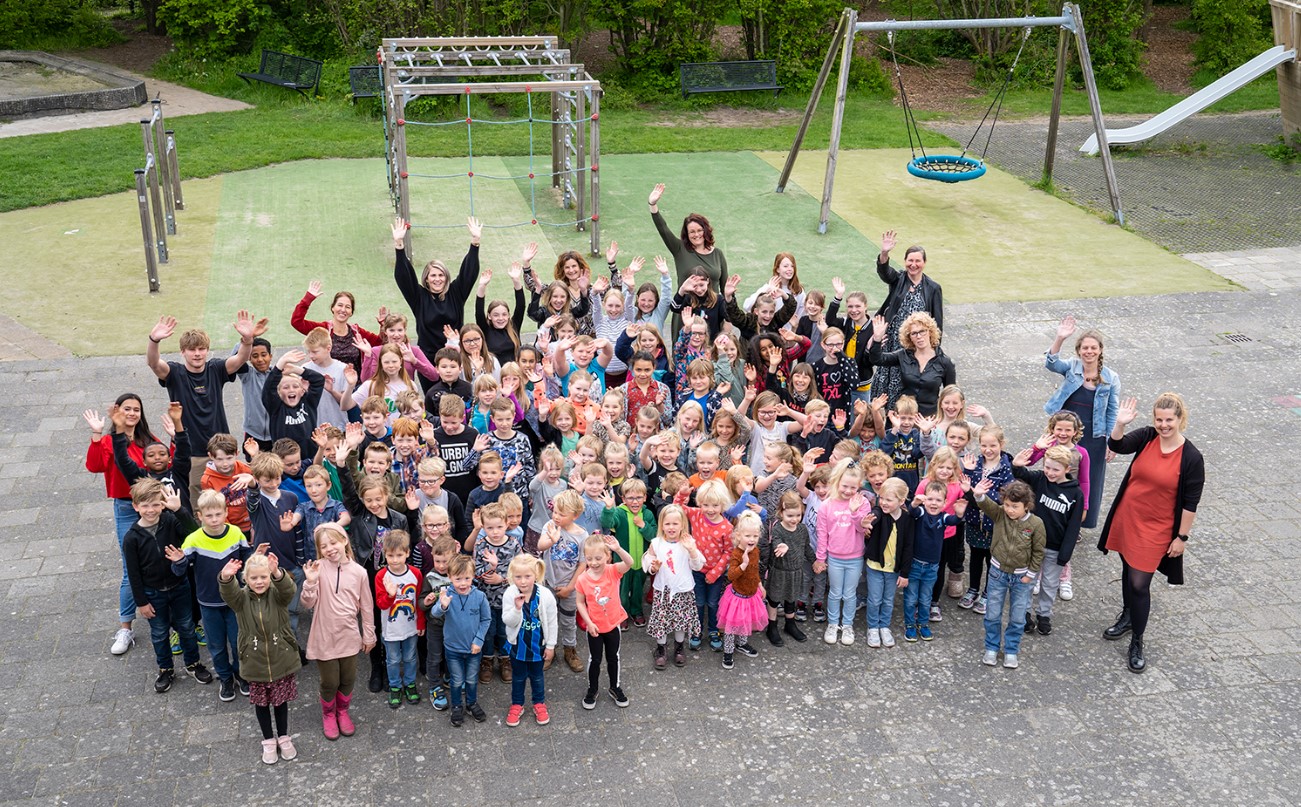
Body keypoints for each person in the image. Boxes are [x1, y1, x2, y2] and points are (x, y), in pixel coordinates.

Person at [1098, 394, 1204, 674]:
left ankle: (1137, 641)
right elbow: (1117, 445)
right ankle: (1128, 616)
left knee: (1139, 583)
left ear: (1180, 419)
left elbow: (1191, 503)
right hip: (1128, 516)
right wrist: (1119, 424)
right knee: (1127, 567)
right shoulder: (1146, 437)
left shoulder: (1191, 457)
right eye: (1159, 419)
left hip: (1157, 526)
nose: (1163, 425)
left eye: (1169, 420)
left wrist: (1181, 538)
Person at [146, 311, 264, 502]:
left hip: (222, 450)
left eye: (201, 349)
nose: (197, 354)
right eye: (192, 350)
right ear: (183, 352)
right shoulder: (175, 373)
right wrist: (154, 340)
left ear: (207, 350)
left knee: (230, 497)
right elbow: (154, 363)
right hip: (192, 453)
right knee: (197, 502)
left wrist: (248, 340)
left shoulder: (215, 368)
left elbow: (239, 360)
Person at [84, 395, 169, 655]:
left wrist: (175, 437)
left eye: (136, 409)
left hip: (154, 506)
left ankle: (170, 616)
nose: (132, 413)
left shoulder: (148, 439)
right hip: (126, 506)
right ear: (118, 412)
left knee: (164, 557)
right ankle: (125, 626)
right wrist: (97, 434)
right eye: (126, 409)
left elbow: (165, 464)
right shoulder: (110, 441)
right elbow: (95, 465)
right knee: (129, 566)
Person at [120, 479, 213, 693]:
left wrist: (179, 510)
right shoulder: (131, 538)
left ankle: (193, 664)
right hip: (153, 593)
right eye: (145, 505)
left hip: (180, 586)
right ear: (135, 506)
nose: (150, 510)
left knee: (187, 628)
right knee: (160, 633)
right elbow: (133, 574)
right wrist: (141, 602)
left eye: (155, 504)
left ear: (162, 504)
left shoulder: (171, 521)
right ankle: (165, 669)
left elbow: (193, 533)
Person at [218, 551, 302, 764]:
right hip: (254, 660)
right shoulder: (241, 599)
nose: (259, 581)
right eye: (253, 578)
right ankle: (268, 740)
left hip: (280, 656)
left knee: (281, 702)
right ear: (245, 578)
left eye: (263, 576)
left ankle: (283, 737)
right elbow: (228, 594)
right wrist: (226, 578)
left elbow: (289, 591)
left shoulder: (277, 594)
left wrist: (277, 574)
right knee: (262, 704)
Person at [171, 490, 252, 702]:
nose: (214, 519)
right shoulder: (193, 540)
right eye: (209, 515)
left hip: (235, 601)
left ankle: (241, 675)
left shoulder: (236, 533)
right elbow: (179, 572)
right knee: (216, 646)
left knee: (238, 643)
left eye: (218, 514)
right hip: (208, 603)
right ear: (199, 516)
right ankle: (225, 678)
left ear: (226, 512)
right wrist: (178, 561)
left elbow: (246, 560)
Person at [300, 523, 376, 740]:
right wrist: (310, 583)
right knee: (329, 681)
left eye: (333, 542)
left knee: (348, 678)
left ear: (344, 541)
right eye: (324, 546)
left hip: (349, 635)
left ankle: (342, 711)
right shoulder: (318, 568)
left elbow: (367, 606)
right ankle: (328, 714)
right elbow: (307, 603)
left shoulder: (359, 572)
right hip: (324, 635)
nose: (330, 548)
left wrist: (369, 634)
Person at [1045, 315, 1120, 532]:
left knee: (1089, 480)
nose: (1089, 351)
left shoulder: (1111, 377)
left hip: (1094, 435)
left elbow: (1113, 410)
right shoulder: (1072, 367)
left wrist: (1112, 441)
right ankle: (1057, 517)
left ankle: (1078, 522)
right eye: (1085, 348)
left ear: (1100, 350)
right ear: (1079, 350)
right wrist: (1059, 338)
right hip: (1065, 432)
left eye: (1093, 348)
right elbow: (1051, 363)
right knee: (1061, 473)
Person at [965, 477, 1045, 670]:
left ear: (1026, 506)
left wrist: (1031, 575)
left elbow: (1038, 551)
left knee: (1017, 618)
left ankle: (1011, 650)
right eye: (1007, 505)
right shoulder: (1000, 514)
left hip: (1022, 577)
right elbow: (985, 504)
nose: (1009, 509)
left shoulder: (1036, 524)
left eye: (1014, 506)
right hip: (997, 574)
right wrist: (978, 493)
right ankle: (991, 647)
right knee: (992, 614)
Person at [391, 216, 483, 385]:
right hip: (428, 361)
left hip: (455, 360)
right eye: (433, 275)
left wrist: (475, 242)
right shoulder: (419, 297)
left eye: (441, 275)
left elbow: (468, 273)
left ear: (446, 277)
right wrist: (399, 245)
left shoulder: (456, 293)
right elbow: (404, 278)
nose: (437, 279)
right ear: (426, 279)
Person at [1012, 445, 1084, 636]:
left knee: (1050, 584)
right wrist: (1017, 464)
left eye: (1056, 469)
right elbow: (1021, 474)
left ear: (1067, 469)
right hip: (1031, 543)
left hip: (1055, 547)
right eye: (1048, 467)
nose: (1050, 473)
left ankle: (1044, 614)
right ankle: (1025, 613)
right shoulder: (1039, 479)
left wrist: (1065, 554)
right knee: (1027, 580)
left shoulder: (1076, 494)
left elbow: (1073, 526)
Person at [873, 230, 944, 413]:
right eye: (910, 261)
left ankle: (899, 418)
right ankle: (879, 418)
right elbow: (884, 272)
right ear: (905, 262)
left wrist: (931, 353)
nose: (913, 265)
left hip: (914, 348)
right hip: (891, 344)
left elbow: (937, 324)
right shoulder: (898, 279)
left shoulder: (933, 288)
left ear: (924, 263)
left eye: (917, 261)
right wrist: (885, 253)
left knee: (904, 385)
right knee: (883, 380)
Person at [648, 183, 728, 339]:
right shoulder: (680, 249)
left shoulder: (718, 254)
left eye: (699, 230)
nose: (696, 234)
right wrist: (653, 205)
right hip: (686, 313)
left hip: (712, 314)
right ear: (687, 234)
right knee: (684, 356)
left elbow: (725, 288)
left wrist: (727, 317)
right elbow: (663, 229)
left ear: (706, 231)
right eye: (692, 231)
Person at [814, 459, 875, 646]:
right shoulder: (827, 505)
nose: (848, 491)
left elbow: (861, 529)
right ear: (837, 482)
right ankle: (833, 624)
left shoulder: (862, 502)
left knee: (850, 594)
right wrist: (820, 558)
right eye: (845, 486)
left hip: (855, 556)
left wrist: (855, 512)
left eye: (853, 488)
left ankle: (847, 624)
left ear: (859, 486)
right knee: (834, 593)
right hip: (835, 557)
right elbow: (822, 533)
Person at [431, 554, 492, 726]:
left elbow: (486, 620)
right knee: (457, 680)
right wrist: (442, 605)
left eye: (467, 578)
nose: (463, 583)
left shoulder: (479, 596)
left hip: (473, 649)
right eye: (458, 579)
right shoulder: (446, 594)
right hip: (453, 649)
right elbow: (435, 613)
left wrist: (479, 640)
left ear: (473, 576)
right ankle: (457, 706)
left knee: (472, 679)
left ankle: (471, 703)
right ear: (450, 577)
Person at [642, 504, 705, 670]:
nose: (671, 527)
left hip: (682, 590)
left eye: (675, 524)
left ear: (682, 525)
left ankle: (679, 646)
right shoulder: (656, 543)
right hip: (663, 590)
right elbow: (648, 560)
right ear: (661, 524)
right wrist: (652, 567)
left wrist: (692, 550)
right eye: (667, 523)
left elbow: (698, 565)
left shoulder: (688, 543)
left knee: (680, 621)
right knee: (661, 621)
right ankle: (661, 649)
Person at [575, 534, 634, 709]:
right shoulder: (583, 579)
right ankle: (592, 689)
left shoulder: (613, 571)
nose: (594, 562)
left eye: (598, 558)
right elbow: (579, 602)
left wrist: (618, 549)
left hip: (613, 624)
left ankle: (614, 687)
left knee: (613, 657)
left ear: (607, 556)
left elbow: (629, 563)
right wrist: (588, 623)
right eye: (589, 558)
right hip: (594, 627)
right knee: (595, 659)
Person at [502, 554, 558, 727]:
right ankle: (517, 705)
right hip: (518, 646)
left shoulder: (546, 595)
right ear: (512, 577)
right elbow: (507, 620)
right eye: (518, 577)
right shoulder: (510, 593)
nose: (523, 581)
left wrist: (551, 645)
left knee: (537, 677)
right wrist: (517, 609)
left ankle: (538, 703)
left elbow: (551, 621)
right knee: (518, 678)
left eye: (528, 576)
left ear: (536, 575)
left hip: (537, 647)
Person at [868, 311, 955, 416]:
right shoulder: (903, 355)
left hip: (930, 417)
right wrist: (877, 340)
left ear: (930, 332)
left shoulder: (945, 362)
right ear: (909, 337)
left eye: (922, 331)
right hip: (906, 415)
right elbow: (878, 360)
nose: (918, 336)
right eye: (914, 333)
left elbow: (951, 393)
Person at [374, 529, 424, 709]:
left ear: (408, 553)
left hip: (410, 625)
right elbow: (381, 604)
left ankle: (410, 684)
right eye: (390, 556)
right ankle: (395, 686)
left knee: (411, 657)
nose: (395, 560)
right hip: (391, 628)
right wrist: (391, 595)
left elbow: (418, 600)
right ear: (385, 554)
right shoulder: (382, 576)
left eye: (399, 555)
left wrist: (420, 622)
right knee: (393, 659)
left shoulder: (416, 574)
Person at [291, 281, 381, 373]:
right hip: (326, 382)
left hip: (354, 384)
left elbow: (380, 342)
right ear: (333, 308)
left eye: (348, 307)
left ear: (351, 312)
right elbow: (296, 322)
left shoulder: (357, 332)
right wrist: (308, 299)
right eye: (340, 305)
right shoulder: (322, 330)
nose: (343, 310)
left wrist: (383, 325)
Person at [716, 512, 768, 670]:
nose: (752, 540)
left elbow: (754, 571)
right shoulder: (737, 554)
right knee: (732, 626)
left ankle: (742, 644)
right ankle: (728, 651)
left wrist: (760, 585)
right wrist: (743, 564)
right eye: (748, 536)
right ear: (738, 536)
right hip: (737, 598)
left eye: (755, 536)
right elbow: (731, 575)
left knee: (747, 621)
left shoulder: (755, 551)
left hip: (751, 595)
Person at [761, 491, 814, 645]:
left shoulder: (802, 529)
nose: (794, 519)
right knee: (774, 599)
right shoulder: (778, 529)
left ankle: (790, 624)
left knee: (791, 599)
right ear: (781, 512)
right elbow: (776, 544)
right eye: (790, 516)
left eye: (798, 515)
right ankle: (772, 626)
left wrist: (816, 561)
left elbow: (806, 548)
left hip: (796, 572)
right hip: (779, 572)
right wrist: (781, 546)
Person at [475, 259, 530, 367]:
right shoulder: (485, 329)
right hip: (494, 376)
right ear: (489, 316)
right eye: (496, 315)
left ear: (509, 315)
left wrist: (516, 281)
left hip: (514, 375)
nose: (501, 318)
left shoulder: (513, 326)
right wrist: (482, 286)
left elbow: (521, 306)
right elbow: (479, 312)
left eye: (504, 314)